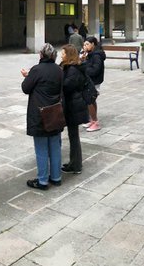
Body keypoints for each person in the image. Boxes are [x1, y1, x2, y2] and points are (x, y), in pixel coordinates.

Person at [21, 44, 64, 191]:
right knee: (55, 146)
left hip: (39, 113)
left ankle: (43, 180)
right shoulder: (59, 70)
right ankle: (56, 177)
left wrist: (28, 76)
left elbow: (25, 88)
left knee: (41, 148)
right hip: (55, 111)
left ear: (41, 55)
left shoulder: (37, 69)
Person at [59, 44, 92, 176]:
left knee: (73, 136)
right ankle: (74, 162)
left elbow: (67, 86)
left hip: (74, 106)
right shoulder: (69, 67)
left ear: (69, 55)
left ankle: (76, 164)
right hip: (73, 105)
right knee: (73, 135)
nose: (61, 55)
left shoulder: (73, 70)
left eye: (63, 53)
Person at [81, 36, 105, 132]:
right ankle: (92, 119)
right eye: (84, 44)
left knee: (89, 101)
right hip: (90, 81)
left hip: (94, 81)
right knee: (91, 101)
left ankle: (95, 122)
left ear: (93, 44)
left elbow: (95, 70)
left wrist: (84, 68)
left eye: (87, 44)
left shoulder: (96, 55)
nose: (85, 46)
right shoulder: (90, 54)